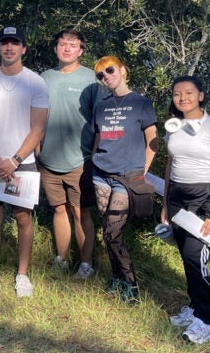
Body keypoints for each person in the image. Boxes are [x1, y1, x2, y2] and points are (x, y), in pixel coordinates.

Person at [0, 26, 49, 297]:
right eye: (5, 43)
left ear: (23, 49)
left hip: (23, 163)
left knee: (23, 218)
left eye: (15, 43)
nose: (9, 48)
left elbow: (38, 128)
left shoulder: (35, 83)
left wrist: (14, 161)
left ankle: (22, 275)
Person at [162, 76, 210, 344]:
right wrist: (165, 203)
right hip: (177, 196)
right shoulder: (174, 127)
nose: (183, 98)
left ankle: (204, 321)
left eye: (189, 92)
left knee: (195, 255)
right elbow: (170, 165)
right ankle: (193, 307)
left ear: (201, 95)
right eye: (177, 94)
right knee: (185, 254)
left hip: (204, 197)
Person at [91, 55, 158, 303]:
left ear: (122, 70)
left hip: (127, 178)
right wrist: (93, 159)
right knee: (108, 231)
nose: (106, 77)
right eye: (100, 75)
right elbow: (98, 138)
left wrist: (141, 171)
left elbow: (153, 142)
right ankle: (117, 279)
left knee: (113, 232)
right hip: (101, 175)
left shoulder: (141, 103)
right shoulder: (101, 106)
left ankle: (132, 285)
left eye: (109, 70)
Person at [39, 29, 102, 279]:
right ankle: (62, 259)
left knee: (80, 211)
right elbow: (36, 116)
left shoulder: (92, 79)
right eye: (62, 44)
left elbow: (101, 120)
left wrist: (94, 154)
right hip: (49, 159)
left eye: (72, 45)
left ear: (81, 51)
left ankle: (86, 265)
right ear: (56, 48)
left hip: (80, 160)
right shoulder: (44, 78)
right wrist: (37, 150)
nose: (66, 48)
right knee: (59, 210)